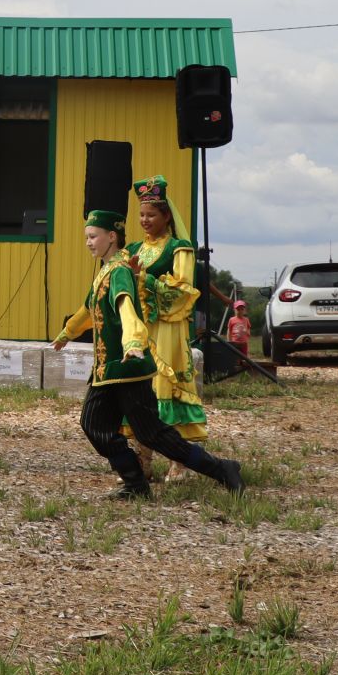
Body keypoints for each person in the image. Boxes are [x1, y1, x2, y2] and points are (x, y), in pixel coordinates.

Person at [54, 209, 243, 499]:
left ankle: (219, 469)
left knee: (149, 433)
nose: (89, 243)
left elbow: (126, 309)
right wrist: (67, 332)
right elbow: (88, 309)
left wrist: (132, 343)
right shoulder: (106, 270)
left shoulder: (119, 272)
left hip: (128, 368)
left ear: (112, 237)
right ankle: (137, 481)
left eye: (93, 237)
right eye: (87, 238)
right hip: (110, 371)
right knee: (105, 426)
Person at [122, 176, 207, 478]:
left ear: (166, 216)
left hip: (167, 329)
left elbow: (183, 290)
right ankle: (143, 459)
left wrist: (145, 279)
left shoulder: (178, 248)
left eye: (151, 215)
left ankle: (178, 460)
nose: (145, 220)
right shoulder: (133, 248)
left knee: (166, 387)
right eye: (142, 215)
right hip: (141, 329)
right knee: (141, 390)